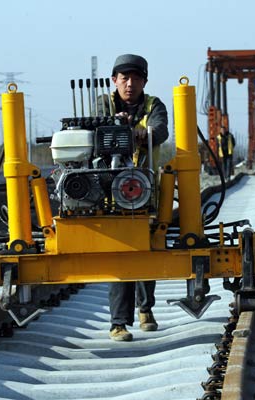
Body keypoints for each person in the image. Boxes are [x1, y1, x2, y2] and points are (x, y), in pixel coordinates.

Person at [106, 54, 169, 342]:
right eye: (124, 78)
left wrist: (141, 131)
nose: (129, 84)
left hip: (143, 186)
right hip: (107, 189)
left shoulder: (154, 105)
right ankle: (118, 323)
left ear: (144, 81)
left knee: (145, 248)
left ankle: (145, 309)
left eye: (135, 78)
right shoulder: (103, 104)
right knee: (120, 254)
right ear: (114, 80)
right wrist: (116, 126)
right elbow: (96, 130)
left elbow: (160, 132)